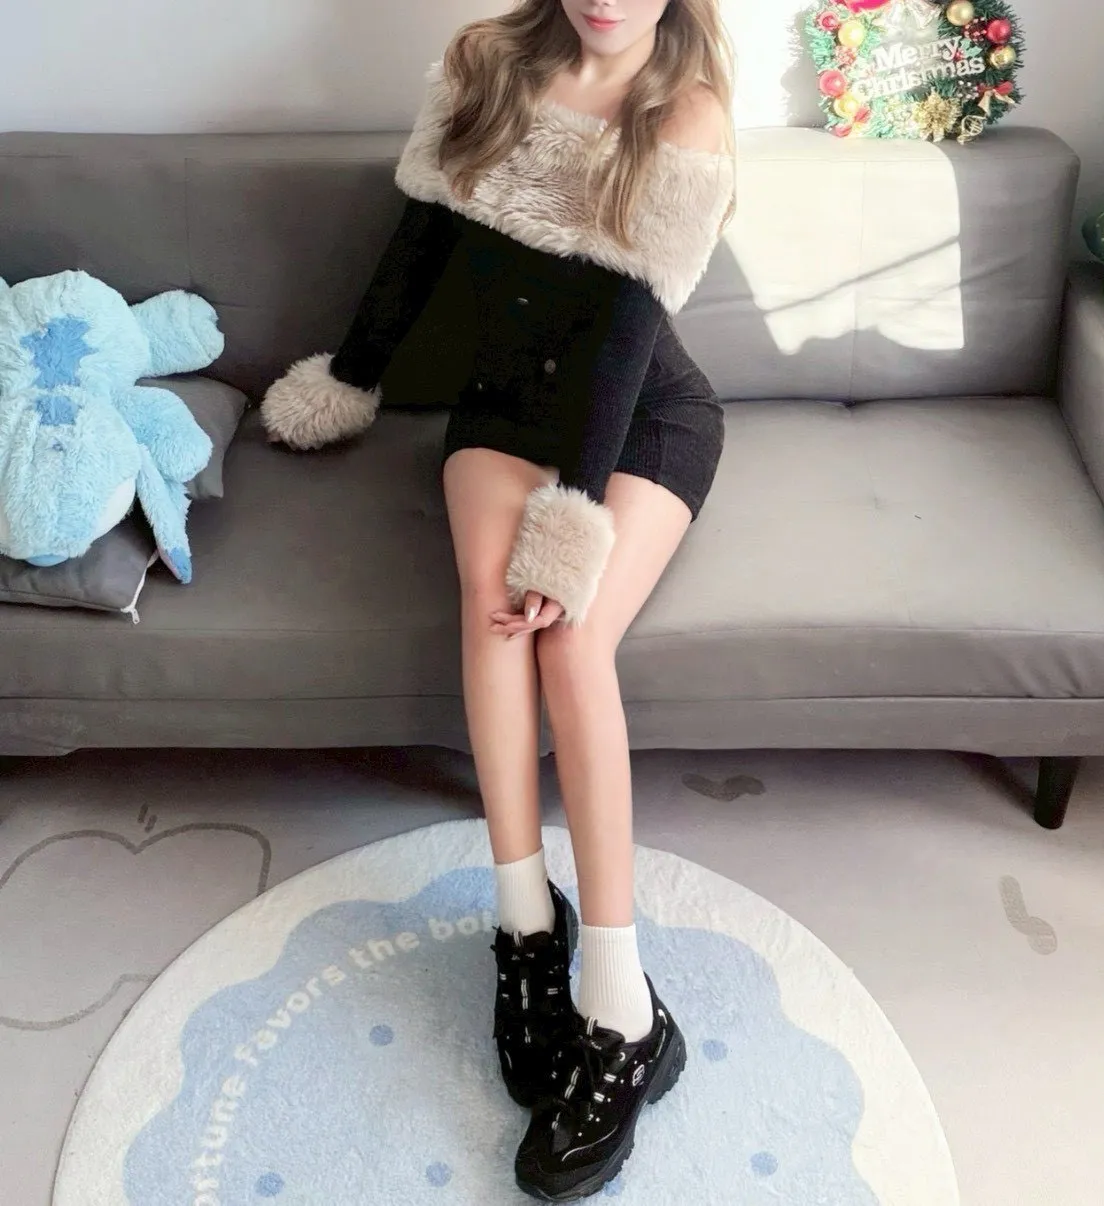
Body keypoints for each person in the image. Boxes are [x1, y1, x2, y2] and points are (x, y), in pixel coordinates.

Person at [261, 1, 736, 1197]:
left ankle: (623, 1012)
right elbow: (417, 241)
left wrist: (568, 529)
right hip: (503, 409)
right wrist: (349, 380)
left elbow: (625, 333)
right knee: (490, 599)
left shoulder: (685, 110)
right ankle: (526, 931)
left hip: (641, 416)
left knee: (569, 640)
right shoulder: (487, 60)